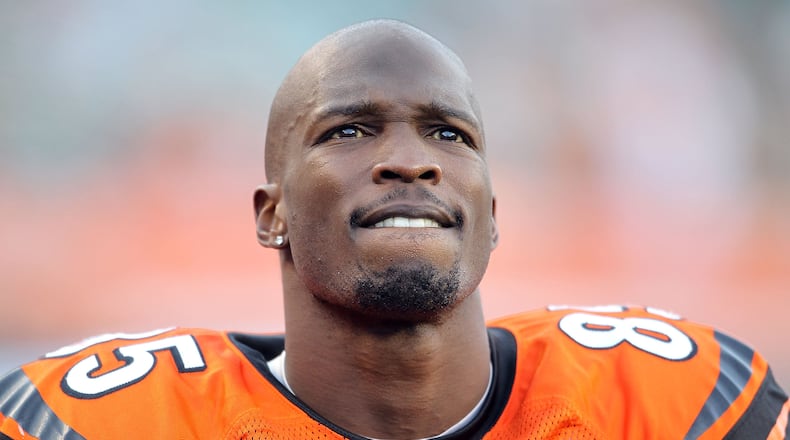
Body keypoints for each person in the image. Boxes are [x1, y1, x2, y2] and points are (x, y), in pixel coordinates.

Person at [0, 19, 787, 440]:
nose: (410, 162)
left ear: (492, 216)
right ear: (271, 214)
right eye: (349, 132)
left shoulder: (671, 405)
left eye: (449, 134)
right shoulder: (99, 424)